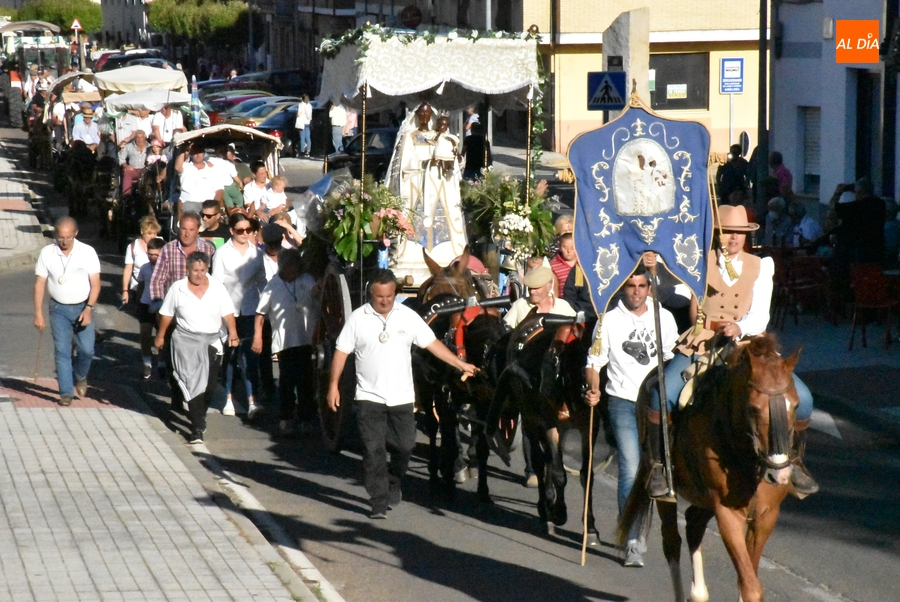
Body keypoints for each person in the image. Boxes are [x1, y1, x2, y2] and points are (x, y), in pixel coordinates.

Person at [646, 205, 818, 498]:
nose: (733, 238)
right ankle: (658, 467)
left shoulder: (761, 266)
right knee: (663, 394)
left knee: (803, 399)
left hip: (749, 343)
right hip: (704, 340)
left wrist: (741, 328)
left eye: (739, 233)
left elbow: (761, 314)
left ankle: (796, 461)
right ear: (717, 235)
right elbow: (674, 296)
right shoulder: (699, 262)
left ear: (746, 235)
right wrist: (655, 271)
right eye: (727, 233)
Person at [328, 269, 478, 518]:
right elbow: (341, 352)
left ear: (395, 294)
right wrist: (333, 385)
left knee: (406, 446)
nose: (385, 301)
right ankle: (378, 501)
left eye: (389, 296)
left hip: (402, 398)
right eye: (379, 297)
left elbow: (432, 344)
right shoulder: (357, 318)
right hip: (369, 397)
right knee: (373, 450)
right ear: (370, 295)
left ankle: (394, 481)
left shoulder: (407, 317)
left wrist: (460, 364)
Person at [584, 258, 678, 568]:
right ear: (623, 288)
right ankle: (633, 538)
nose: (636, 292)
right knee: (630, 466)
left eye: (641, 286)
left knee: (656, 468)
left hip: (655, 403)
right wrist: (594, 388)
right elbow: (594, 363)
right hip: (622, 401)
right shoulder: (608, 320)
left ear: (649, 289)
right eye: (630, 286)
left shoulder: (663, 318)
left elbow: (671, 359)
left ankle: (650, 529)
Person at [156, 252, 239, 443]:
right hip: (185, 342)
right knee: (193, 384)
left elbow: (227, 312)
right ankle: (196, 427)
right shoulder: (178, 289)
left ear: (207, 269)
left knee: (209, 385)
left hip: (211, 341)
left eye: (202, 270)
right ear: (188, 269)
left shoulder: (217, 288)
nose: (199, 274)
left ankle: (199, 414)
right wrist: (160, 336)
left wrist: (233, 333)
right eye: (195, 270)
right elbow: (167, 314)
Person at [33, 217, 101, 406]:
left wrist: (89, 308)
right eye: (60, 237)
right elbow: (40, 284)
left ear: (75, 234)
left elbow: (95, 285)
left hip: (82, 307)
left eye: (68, 237)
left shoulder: (87, 252)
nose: (64, 242)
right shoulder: (47, 253)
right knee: (62, 351)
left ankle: (80, 376)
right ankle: (65, 393)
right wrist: (38, 313)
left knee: (87, 350)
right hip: (58, 309)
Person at [253, 249, 319, 436]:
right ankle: (286, 419)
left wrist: (321, 286)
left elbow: (314, 292)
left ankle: (306, 419)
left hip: (307, 341)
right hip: (285, 343)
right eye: (291, 267)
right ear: (284, 267)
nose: (294, 270)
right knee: (287, 382)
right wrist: (258, 336)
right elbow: (260, 312)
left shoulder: (305, 279)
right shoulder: (273, 285)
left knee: (306, 382)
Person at [212, 213, 267, 418]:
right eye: (239, 230)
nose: (244, 234)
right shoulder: (222, 253)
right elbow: (217, 285)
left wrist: (267, 303)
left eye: (248, 230)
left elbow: (262, 281)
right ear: (231, 231)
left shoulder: (257, 253)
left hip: (250, 309)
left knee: (250, 357)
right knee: (231, 355)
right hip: (229, 311)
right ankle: (228, 398)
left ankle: (252, 401)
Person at [150, 212, 217, 309]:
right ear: (179, 228)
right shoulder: (168, 249)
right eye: (184, 229)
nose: (187, 234)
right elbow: (157, 280)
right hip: (174, 307)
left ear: (198, 230)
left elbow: (215, 279)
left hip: (201, 307)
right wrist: (159, 306)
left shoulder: (208, 249)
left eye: (191, 230)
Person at [827, 178, 886, 264]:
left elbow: (832, 205)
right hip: (877, 249)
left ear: (859, 191)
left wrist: (838, 192)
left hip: (859, 251)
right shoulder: (881, 204)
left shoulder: (856, 206)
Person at [504, 266, 577, 329]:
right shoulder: (520, 305)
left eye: (536, 288)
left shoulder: (563, 307)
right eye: (530, 288)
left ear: (549, 287)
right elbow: (505, 329)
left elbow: (576, 327)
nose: (532, 292)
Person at [136, 237, 166, 378]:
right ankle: (147, 363)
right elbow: (141, 286)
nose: (153, 258)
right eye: (150, 254)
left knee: (161, 336)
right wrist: (138, 304)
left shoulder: (167, 269)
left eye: (156, 255)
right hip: (145, 303)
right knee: (145, 335)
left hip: (162, 306)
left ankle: (161, 363)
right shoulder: (145, 268)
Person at [175, 143, 225, 220]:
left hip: (208, 204)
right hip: (189, 203)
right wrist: (183, 149)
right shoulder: (186, 167)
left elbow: (219, 190)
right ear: (191, 155)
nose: (197, 155)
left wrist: (214, 205)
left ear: (204, 154)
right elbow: (178, 168)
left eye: (199, 152)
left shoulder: (213, 169)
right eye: (195, 153)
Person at [121, 215, 162, 306]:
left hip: (157, 289)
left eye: (155, 233)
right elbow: (128, 270)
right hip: (138, 287)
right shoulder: (132, 247)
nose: (153, 237)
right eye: (149, 233)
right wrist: (125, 291)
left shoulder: (161, 243)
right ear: (142, 231)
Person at [119, 129, 151, 195]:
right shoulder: (129, 146)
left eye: (141, 137)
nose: (139, 139)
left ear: (145, 138)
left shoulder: (150, 147)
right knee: (127, 172)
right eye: (137, 137)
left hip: (146, 171)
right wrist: (126, 165)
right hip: (133, 170)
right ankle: (126, 196)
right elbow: (121, 158)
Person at [549, 232, 576, 297]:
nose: (569, 251)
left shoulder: (584, 263)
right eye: (565, 247)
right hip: (563, 302)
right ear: (559, 246)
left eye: (572, 247)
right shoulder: (553, 265)